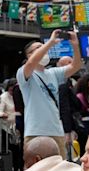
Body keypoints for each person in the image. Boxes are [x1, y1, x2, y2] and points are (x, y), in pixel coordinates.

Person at [17, 29, 82, 159]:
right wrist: (50, 43)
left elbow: (76, 66)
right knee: (34, 170)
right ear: (29, 55)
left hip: (56, 131)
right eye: (37, 48)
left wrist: (75, 45)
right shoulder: (24, 73)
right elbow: (31, 64)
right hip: (35, 131)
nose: (43, 50)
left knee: (59, 168)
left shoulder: (52, 73)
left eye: (42, 47)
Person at [57, 56, 82, 157]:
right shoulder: (62, 82)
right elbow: (64, 106)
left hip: (62, 124)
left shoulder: (66, 81)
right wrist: (67, 130)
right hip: (62, 125)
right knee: (66, 155)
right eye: (71, 63)